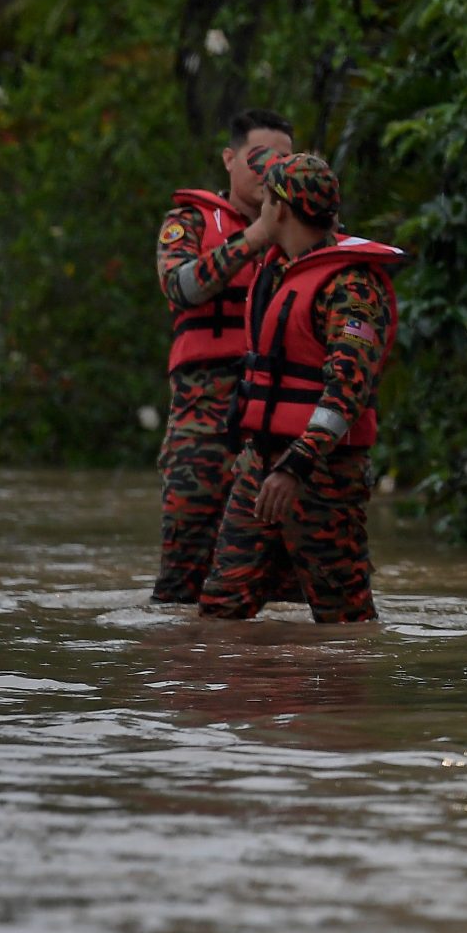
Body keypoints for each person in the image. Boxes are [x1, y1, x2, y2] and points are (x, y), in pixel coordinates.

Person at [197, 153, 407, 624]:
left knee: (344, 623)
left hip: (321, 473)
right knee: (220, 611)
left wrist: (296, 464)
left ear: (282, 209)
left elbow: (346, 392)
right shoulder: (279, 270)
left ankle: (335, 700)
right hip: (261, 465)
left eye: (267, 200)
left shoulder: (352, 285)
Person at [151, 108, 293, 603]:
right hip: (204, 425)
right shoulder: (190, 220)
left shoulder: (307, 234)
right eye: (259, 158)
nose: (270, 170)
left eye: (283, 160)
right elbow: (180, 285)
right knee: (184, 574)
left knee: (288, 586)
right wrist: (256, 238)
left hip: (281, 427)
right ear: (230, 160)